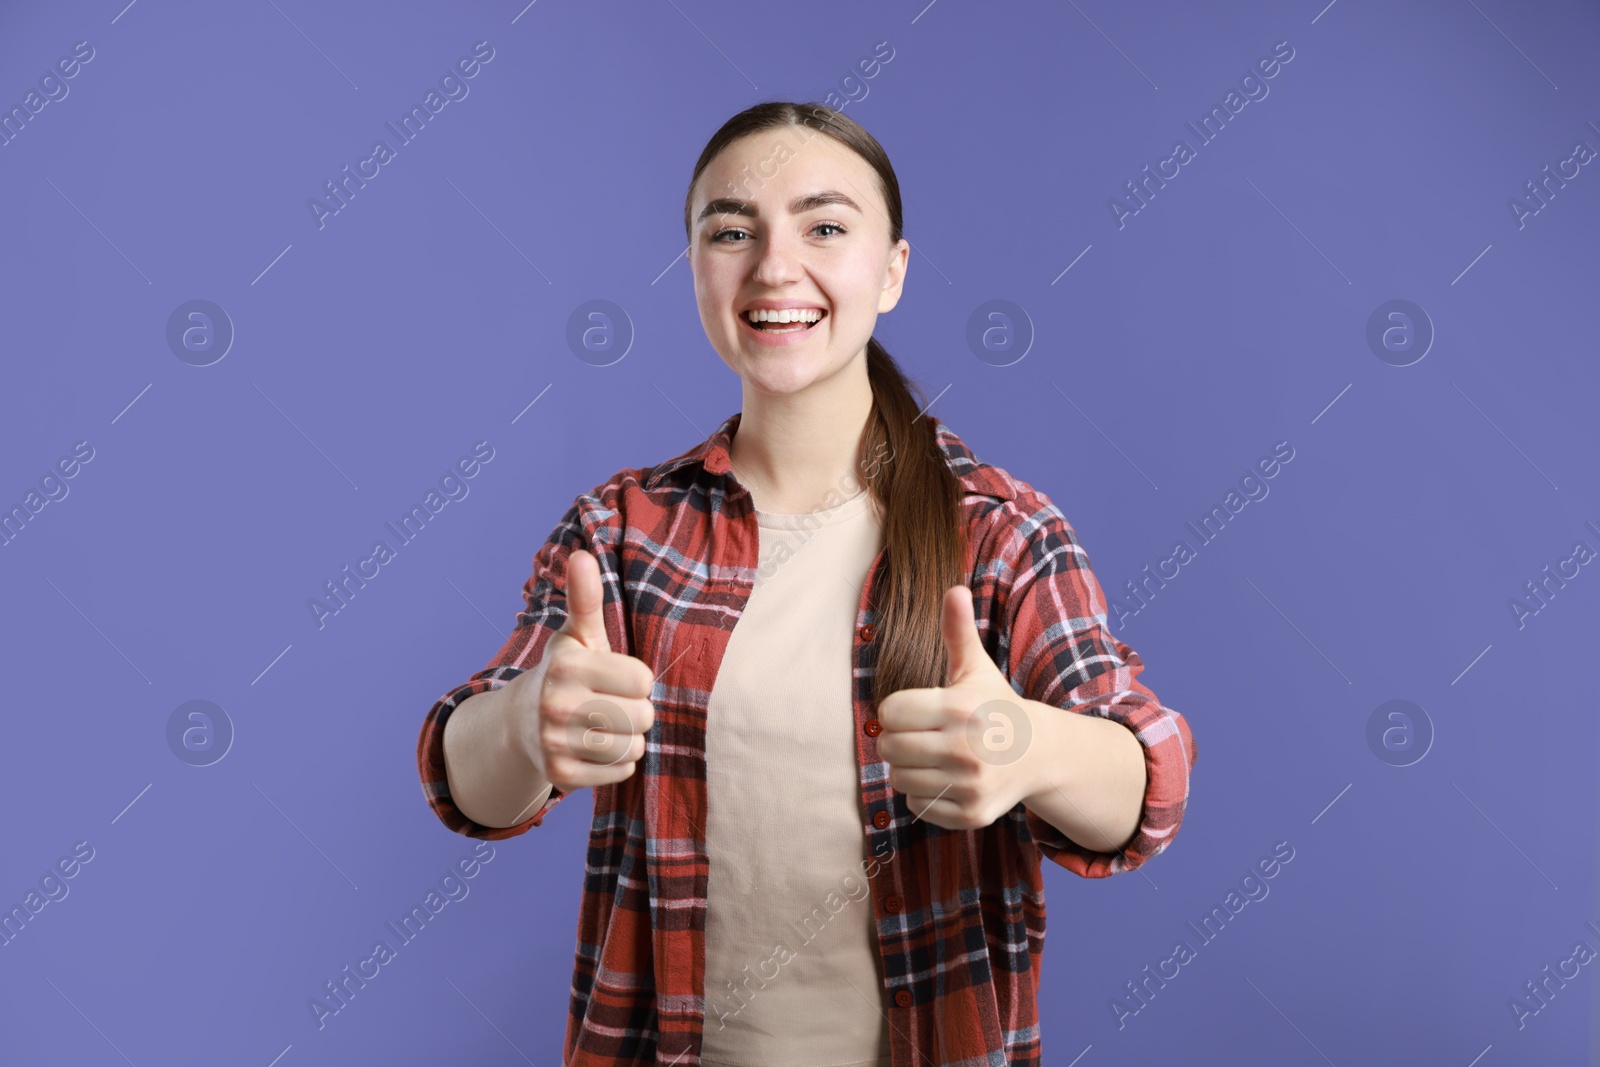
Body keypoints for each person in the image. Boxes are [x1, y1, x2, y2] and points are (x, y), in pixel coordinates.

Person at [416, 100, 1197, 1067]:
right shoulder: (621, 533)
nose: (775, 267)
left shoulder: (999, 531)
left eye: (825, 226)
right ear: (696, 268)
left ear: (894, 269)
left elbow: (1148, 787)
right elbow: (466, 781)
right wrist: (530, 716)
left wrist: (1027, 744)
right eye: (732, 231)